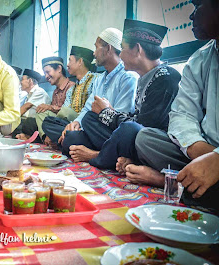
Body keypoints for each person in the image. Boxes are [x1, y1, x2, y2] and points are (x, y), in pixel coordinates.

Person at [121, 0, 219, 212]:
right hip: (197, 152)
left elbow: (140, 121)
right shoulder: (200, 59)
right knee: (146, 139)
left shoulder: (165, 77)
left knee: (132, 131)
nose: (191, 17)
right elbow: (182, 115)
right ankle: (192, 183)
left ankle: (170, 181)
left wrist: (217, 159)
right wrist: (199, 151)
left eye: (197, 7)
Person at [73, 19, 180, 169]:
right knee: (90, 118)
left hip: (154, 144)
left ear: (137, 50)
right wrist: (107, 113)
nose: (120, 55)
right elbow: (135, 119)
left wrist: (107, 112)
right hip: (131, 136)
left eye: (122, 49)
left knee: (129, 130)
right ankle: (114, 155)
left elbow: (143, 127)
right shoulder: (144, 78)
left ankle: (98, 156)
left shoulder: (166, 78)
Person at [60, 28, 138, 162]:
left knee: (88, 119)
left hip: (113, 133)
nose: (94, 54)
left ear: (108, 48)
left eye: (96, 48)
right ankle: (105, 153)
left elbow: (122, 120)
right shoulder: (100, 79)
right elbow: (87, 107)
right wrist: (76, 123)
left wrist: (102, 112)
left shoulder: (128, 77)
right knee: (71, 137)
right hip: (97, 131)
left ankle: (97, 154)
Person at [41, 46, 98, 146]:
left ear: (80, 61)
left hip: (85, 122)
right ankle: (63, 137)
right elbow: (65, 110)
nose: (67, 65)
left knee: (65, 112)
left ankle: (60, 138)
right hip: (69, 123)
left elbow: (89, 109)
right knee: (46, 120)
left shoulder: (95, 80)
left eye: (70, 61)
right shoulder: (73, 88)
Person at [15, 56, 75, 143]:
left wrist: (50, 108)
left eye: (48, 72)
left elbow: (68, 113)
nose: (46, 76)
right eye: (45, 73)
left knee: (32, 120)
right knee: (37, 117)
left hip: (69, 124)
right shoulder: (55, 92)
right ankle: (45, 138)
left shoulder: (71, 87)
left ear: (59, 68)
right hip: (54, 124)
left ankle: (40, 138)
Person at [11, 69, 51, 138]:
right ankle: (23, 136)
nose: (20, 83)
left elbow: (25, 107)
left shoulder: (39, 92)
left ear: (30, 81)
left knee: (25, 122)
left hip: (39, 123)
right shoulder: (29, 94)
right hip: (29, 122)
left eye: (22, 80)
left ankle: (28, 137)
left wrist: (9, 118)